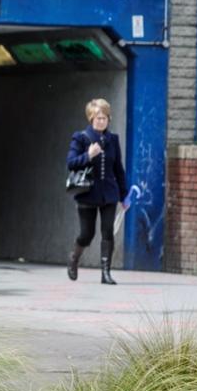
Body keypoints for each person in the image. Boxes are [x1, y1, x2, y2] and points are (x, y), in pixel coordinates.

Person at [65, 98, 125, 285]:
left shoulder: (113, 140)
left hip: (109, 193)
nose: (101, 121)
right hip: (87, 193)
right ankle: (74, 257)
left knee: (108, 232)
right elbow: (71, 163)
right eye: (98, 117)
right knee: (87, 234)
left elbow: (118, 169)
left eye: (105, 117)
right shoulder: (81, 138)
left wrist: (124, 196)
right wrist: (88, 155)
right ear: (91, 118)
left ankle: (105, 273)